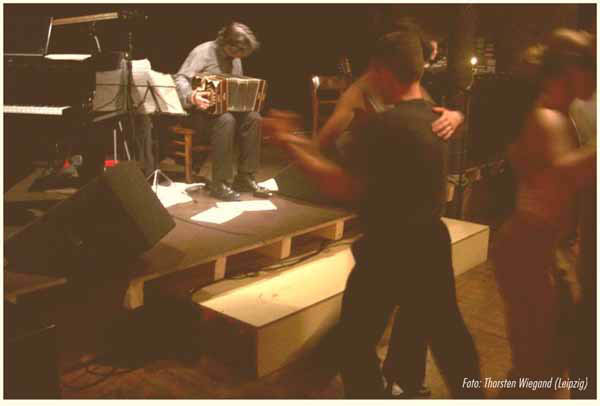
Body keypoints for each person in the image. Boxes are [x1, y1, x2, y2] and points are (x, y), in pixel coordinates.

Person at [262, 27, 482, 399]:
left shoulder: (385, 126)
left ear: (382, 70)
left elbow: (341, 185)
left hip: (389, 247)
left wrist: (285, 141)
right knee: (448, 337)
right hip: (430, 241)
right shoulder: (434, 116)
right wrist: (458, 115)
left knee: (352, 340)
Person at [492, 29, 596, 398]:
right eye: (593, 66)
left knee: (549, 360)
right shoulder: (546, 117)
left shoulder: (561, 113)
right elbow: (564, 174)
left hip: (545, 249)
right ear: (569, 71)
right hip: (527, 249)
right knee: (536, 369)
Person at [174, 22, 272, 201]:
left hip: (222, 113)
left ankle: (245, 177)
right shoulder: (203, 52)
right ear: (227, 44)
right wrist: (192, 96)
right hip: (197, 113)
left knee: (254, 117)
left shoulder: (235, 58)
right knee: (226, 120)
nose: (239, 57)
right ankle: (220, 183)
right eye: (238, 52)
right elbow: (180, 78)